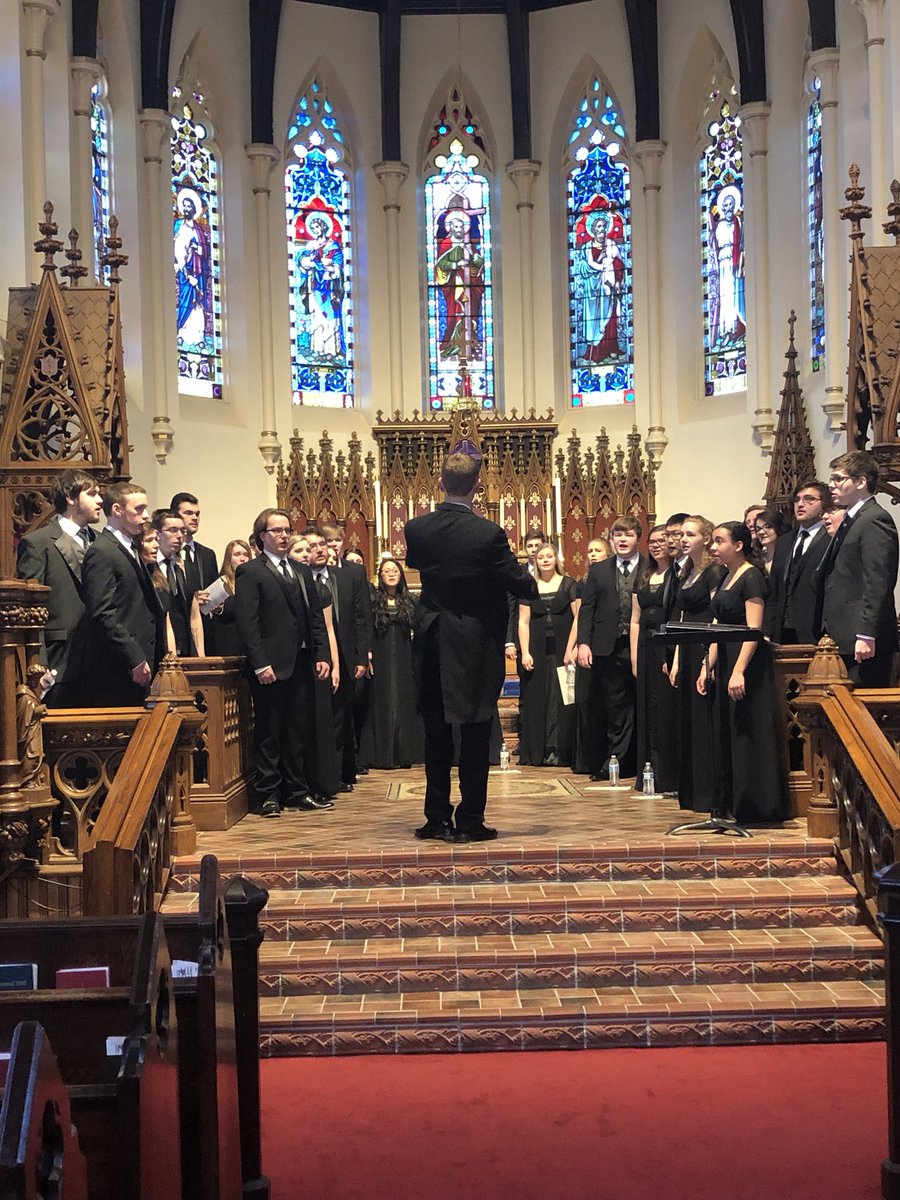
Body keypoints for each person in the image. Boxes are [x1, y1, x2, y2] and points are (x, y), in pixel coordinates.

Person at [404, 451, 536, 842]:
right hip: (475, 641)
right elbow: (520, 583)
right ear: (478, 487)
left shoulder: (417, 528)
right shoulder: (487, 533)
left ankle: (435, 816)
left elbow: (424, 565)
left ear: (440, 484)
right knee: (476, 730)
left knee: (436, 731)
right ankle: (471, 819)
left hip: (432, 638)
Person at [234, 508, 331, 817]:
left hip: (301, 662)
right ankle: (267, 795)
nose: (284, 535)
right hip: (271, 666)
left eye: (287, 529)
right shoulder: (251, 571)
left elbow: (315, 618)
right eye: (277, 530)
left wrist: (322, 654)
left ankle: (298, 791)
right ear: (262, 535)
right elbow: (248, 623)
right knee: (270, 732)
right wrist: (260, 663)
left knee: (297, 731)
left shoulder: (301, 571)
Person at [699, 522, 789, 823]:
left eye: (719, 541)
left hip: (746, 661)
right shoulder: (726, 576)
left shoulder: (751, 577)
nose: (713, 547)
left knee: (747, 732)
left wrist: (738, 671)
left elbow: (753, 630)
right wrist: (706, 665)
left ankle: (755, 805)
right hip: (725, 657)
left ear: (738, 545)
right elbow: (717, 625)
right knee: (728, 730)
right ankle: (730, 801)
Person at [16, 469, 103, 707]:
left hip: (101, 660)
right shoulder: (38, 543)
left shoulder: (102, 543)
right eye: (92, 493)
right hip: (59, 661)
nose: (100, 500)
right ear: (71, 497)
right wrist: (38, 665)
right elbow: (30, 610)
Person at [820, 450, 899, 686]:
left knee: (862, 711)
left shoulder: (874, 519)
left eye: (838, 479)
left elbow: (878, 580)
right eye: (831, 479)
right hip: (842, 635)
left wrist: (866, 633)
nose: (831, 486)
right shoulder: (852, 520)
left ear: (861, 481)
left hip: (862, 639)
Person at [576, 515, 645, 779]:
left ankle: (639, 759)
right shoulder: (600, 569)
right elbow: (587, 609)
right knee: (615, 707)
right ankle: (616, 760)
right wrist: (584, 642)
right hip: (608, 646)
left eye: (628, 535)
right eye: (618, 535)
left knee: (641, 703)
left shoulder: (649, 567)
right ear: (612, 539)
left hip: (641, 645)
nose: (623, 540)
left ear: (638, 537)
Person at [305, 526, 370, 790]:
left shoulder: (347, 576)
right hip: (312, 657)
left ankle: (341, 774)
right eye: (313, 546)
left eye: (322, 544)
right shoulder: (301, 578)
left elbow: (360, 616)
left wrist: (361, 657)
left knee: (341, 717)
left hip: (344, 655)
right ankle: (320, 775)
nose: (320, 549)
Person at [82, 481, 158, 706]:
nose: (145, 516)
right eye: (139, 509)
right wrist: (133, 657)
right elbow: (103, 611)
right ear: (117, 510)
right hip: (119, 665)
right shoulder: (102, 551)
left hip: (141, 658)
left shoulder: (129, 547)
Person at [670, 515, 725, 813]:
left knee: (705, 722)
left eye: (690, 534)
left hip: (706, 647)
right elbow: (680, 617)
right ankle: (692, 792)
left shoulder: (713, 571)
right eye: (682, 535)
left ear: (705, 538)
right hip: (687, 648)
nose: (683, 539)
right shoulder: (686, 570)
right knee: (689, 721)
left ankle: (710, 794)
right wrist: (678, 659)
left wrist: (709, 662)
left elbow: (718, 616)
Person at [358, 558, 424, 770]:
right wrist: (366, 655)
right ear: (380, 576)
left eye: (394, 570)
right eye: (386, 571)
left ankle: (406, 752)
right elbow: (366, 629)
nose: (391, 574)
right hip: (380, 656)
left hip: (405, 658)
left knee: (403, 700)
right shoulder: (372, 601)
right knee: (383, 701)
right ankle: (383, 754)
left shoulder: (411, 601)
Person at [516, 544, 579, 767]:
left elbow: (578, 618)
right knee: (538, 699)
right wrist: (525, 652)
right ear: (535, 561)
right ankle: (538, 752)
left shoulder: (570, 584)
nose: (545, 560)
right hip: (537, 651)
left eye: (549, 556)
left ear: (556, 559)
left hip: (564, 651)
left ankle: (562, 751)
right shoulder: (529, 587)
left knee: (563, 700)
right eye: (541, 557)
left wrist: (572, 648)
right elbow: (523, 621)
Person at [290, 533, 341, 802]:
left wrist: (334, 665)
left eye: (306, 550)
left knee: (319, 723)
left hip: (318, 661)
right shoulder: (287, 583)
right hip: (294, 662)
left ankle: (321, 782)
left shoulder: (318, 588)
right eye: (298, 549)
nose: (304, 554)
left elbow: (327, 629)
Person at [630, 525, 678, 793]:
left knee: (665, 707)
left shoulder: (675, 574)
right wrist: (635, 656)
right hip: (645, 646)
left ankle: (668, 774)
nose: (657, 545)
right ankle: (649, 772)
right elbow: (635, 619)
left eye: (662, 541)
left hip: (665, 645)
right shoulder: (644, 574)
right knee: (647, 707)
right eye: (653, 541)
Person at [766, 481, 830, 645]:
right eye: (797, 499)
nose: (800, 504)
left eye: (809, 499)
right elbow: (775, 590)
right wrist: (767, 631)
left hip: (817, 632)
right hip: (783, 631)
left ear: (825, 504)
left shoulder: (831, 539)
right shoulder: (784, 541)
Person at [572, 536, 611, 775]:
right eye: (590, 550)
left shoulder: (615, 576)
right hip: (588, 645)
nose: (593, 554)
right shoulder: (583, 582)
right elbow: (581, 616)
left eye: (598, 550)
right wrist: (577, 645)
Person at [573, 210, 625, 364]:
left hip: (608, 288)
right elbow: (582, 267)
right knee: (593, 321)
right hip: (591, 290)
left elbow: (620, 263)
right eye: (599, 227)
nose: (602, 229)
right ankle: (593, 353)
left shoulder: (611, 245)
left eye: (604, 226)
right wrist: (599, 262)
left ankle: (611, 349)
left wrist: (616, 278)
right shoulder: (587, 247)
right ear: (594, 229)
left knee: (609, 318)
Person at [152, 508, 204, 657]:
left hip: (185, 649)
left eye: (182, 531)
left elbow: (194, 615)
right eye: (173, 530)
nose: (179, 536)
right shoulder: (149, 567)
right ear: (157, 533)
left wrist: (201, 656)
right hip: (160, 651)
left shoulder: (186, 568)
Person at [297, 211, 346, 360]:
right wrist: (309, 262)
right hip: (315, 286)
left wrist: (328, 267)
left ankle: (331, 351)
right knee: (317, 316)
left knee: (330, 318)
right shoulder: (311, 246)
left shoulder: (333, 246)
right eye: (313, 228)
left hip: (330, 288)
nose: (315, 230)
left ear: (324, 227)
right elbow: (301, 261)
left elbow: (338, 266)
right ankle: (318, 350)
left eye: (317, 227)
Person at [174, 188, 212, 351]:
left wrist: (198, 248)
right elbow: (176, 248)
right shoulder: (178, 226)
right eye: (184, 206)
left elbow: (205, 253)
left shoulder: (199, 230)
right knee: (185, 302)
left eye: (190, 206)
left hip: (199, 272)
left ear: (195, 209)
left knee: (198, 305)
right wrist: (185, 268)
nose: (187, 209)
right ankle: (181, 333)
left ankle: (199, 337)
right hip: (185, 271)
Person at [710, 185, 745, 348]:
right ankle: (724, 332)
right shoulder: (719, 226)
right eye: (725, 205)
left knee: (733, 297)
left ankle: (734, 330)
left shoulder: (738, 223)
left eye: (731, 204)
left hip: (733, 263)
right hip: (722, 264)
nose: (728, 208)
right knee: (724, 298)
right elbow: (713, 245)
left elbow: (740, 244)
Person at [136, 520, 176, 663]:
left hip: (161, 650)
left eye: (156, 540)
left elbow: (167, 621)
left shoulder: (158, 576)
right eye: (149, 540)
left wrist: (172, 658)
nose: (156, 545)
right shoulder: (134, 576)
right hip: (142, 651)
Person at [206, 539, 252, 656]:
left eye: (246, 554)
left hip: (248, 642)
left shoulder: (254, 581)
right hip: (226, 642)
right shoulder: (221, 582)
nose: (243, 558)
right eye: (237, 555)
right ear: (229, 559)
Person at [169, 491, 218, 599]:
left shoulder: (207, 555)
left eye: (197, 514)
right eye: (188, 513)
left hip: (201, 614)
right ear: (174, 515)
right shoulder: (166, 552)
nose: (195, 518)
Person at [752, 507, 788, 574]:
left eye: (767, 527)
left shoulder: (789, 556)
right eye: (758, 529)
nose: (761, 532)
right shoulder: (756, 559)